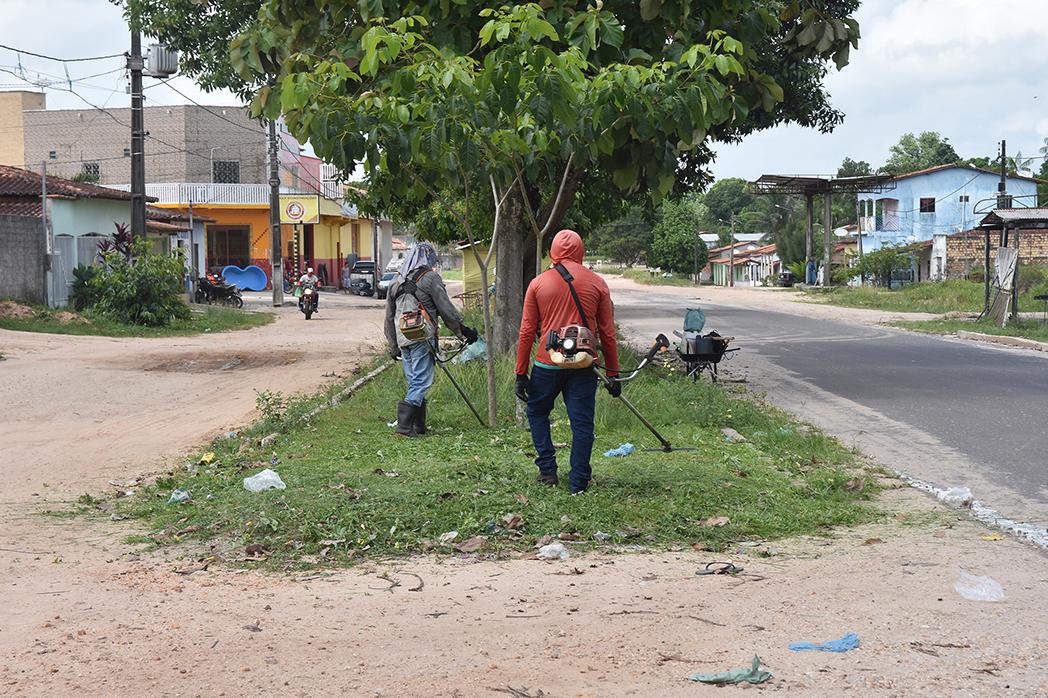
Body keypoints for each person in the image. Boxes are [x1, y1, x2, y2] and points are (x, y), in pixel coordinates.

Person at [515, 229, 620, 494]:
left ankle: (548, 470)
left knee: (537, 412)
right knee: (582, 423)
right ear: (581, 251)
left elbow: (527, 331)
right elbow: (607, 333)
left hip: (546, 364)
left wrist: (520, 372)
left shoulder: (538, 283)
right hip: (585, 365)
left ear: (553, 252)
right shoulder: (597, 283)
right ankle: (579, 481)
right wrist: (614, 373)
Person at [384, 242, 479, 437]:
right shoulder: (430, 278)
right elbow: (446, 309)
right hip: (421, 337)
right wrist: (464, 331)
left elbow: (388, 317)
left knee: (414, 381)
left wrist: (393, 345)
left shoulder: (396, 282)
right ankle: (403, 427)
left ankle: (418, 426)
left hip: (403, 340)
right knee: (421, 381)